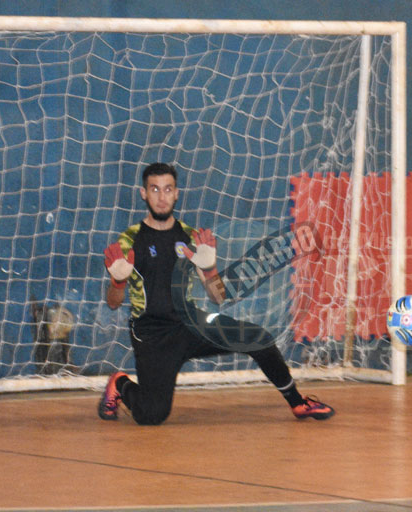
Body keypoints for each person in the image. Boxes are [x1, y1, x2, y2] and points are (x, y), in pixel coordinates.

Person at [98, 162, 334, 425]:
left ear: (176, 193)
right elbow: (113, 303)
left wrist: (209, 268)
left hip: (190, 323)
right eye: (154, 189)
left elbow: (217, 297)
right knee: (151, 416)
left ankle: (298, 402)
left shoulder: (190, 236)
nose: (161, 197)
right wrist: (118, 282)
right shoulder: (129, 241)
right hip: (152, 333)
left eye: (167, 189)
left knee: (258, 338)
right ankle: (120, 384)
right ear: (143, 193)